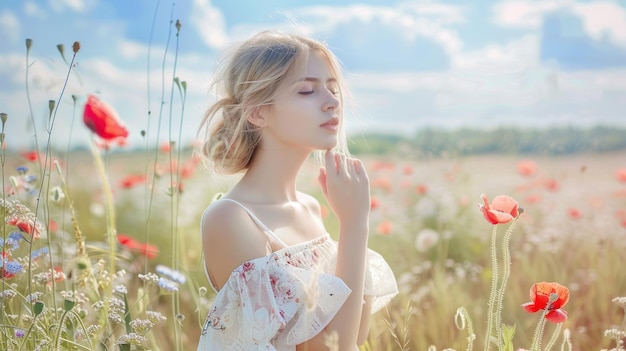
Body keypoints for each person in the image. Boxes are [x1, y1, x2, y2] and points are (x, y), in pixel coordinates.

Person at [196, 30, 398, 351]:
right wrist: (354, 225)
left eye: (333, 89)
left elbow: (355, 338)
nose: (333, 103)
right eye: (307, 91)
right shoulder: (231, 219)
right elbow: (333, 347)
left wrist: (354, 224)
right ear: (258, 112)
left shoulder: (309, 207)